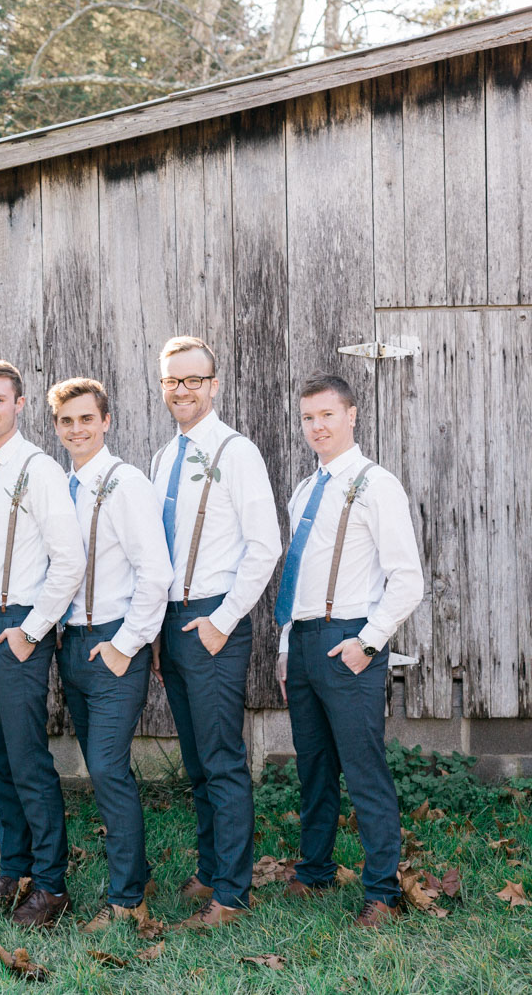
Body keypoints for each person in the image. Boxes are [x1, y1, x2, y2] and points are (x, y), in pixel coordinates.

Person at [275, 373, 422, 928]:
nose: (317, 427)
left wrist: (367, 643)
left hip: (350, 641)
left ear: (351, 416)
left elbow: (406, 579)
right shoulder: (303, 491)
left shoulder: (376, 484)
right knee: (314, 769)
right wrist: (288, 647)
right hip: (306, 642)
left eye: (327, 416)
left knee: (364, 770)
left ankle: (382, 891)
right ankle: (314, 871)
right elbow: (297, 581)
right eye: (309, 418)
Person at [148, 336, 280, 928]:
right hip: (172, 622)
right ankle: (209, 872)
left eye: (194, 380)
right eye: (173, 381)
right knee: (197, 760)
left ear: (215, 384)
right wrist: (156, 630)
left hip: (214, 621)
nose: (183, 390)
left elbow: (265, 546)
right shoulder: (161, 458)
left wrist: (223, 620)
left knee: (223, 759)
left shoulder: (237, 452)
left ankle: (233, 892)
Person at [0, 360, 83, 927]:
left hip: (17, 624)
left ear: (19, 403)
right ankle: (15, 869)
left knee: (29, 759)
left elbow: (69, 561)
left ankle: (52, 884)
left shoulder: (39, 470)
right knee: (0, 760)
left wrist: (32, 629)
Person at [48, 379, 171, 932]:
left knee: (106, 768)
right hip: (72, 644)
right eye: (66, 422)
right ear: (56, 427)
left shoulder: (125, 484)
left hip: (114, 643)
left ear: (106, 421)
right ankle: (134, 875)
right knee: (104, 768)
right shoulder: (64, 486)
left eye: (85, 419)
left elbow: (156, 573)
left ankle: (127, 899)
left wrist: (126, 645)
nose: (76, 430)